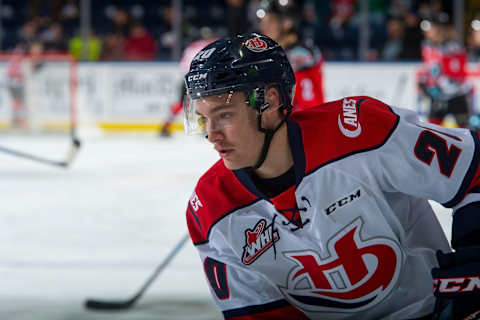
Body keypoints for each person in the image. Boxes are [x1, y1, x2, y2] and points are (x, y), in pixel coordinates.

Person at [183, 33, 480, 319]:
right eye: (203, 119)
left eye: (224, 115)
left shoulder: (361, 132)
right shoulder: (210, 210)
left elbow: (473, 167)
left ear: (270, 102)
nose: (211, 135)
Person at [258, 0, 324, 112]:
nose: (264, 26)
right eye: (263, 21)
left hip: (306, 122)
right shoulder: (273, 52)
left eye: (271, 21)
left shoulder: (303, 52)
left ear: (287, 22)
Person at [418, 12, 472, 128]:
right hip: (437, 95)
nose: (427, 33)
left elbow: (457, 73)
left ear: (439, 29)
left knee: (466, 131)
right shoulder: (427, 47)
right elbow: (430, 70)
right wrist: (426, 83)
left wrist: (440, 86)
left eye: (430, 29)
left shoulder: (454, 48)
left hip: (456, 95)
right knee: (432, 130)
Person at [159, 27, 216, 137]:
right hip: (203, 77)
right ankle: (205, 127)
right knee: (207, 102)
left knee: (181, 104)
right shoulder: (211, 45)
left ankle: (166, 125)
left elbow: (184, 64)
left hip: (187, 77)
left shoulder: (192, 46)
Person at [7, 40, 44, 128]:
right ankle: (20, 121)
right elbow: (23, 67)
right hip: (16, 81)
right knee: (20, 102)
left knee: (18, 102)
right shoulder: (22, 54)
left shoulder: (19, 53)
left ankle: (17, 121)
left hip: (14, 80)